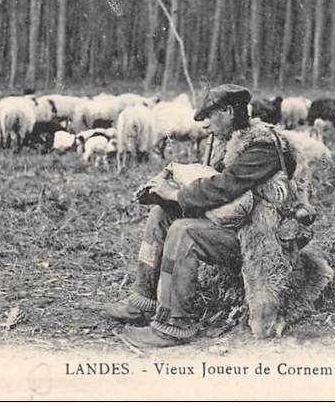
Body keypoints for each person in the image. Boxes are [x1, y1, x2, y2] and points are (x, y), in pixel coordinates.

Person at [103, 84, 297, 349]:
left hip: (259, 239)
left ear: (228, 112)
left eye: (208, 117)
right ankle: (142, 301)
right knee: (162, 214)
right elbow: (210, 187)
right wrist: (161, 196)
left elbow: (224, 187)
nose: (204, 125)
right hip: (232, 224)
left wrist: (176, 195)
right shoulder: (224, 142)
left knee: (185, 231)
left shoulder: (262, 147)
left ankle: (173, 324)